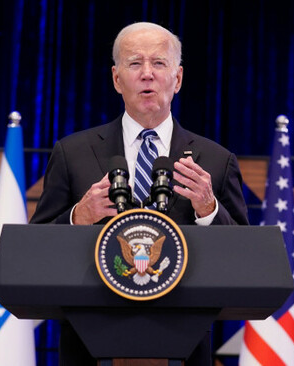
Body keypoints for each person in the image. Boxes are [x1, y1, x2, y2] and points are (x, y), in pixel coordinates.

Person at [31, 21, 249, 366]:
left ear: (177, 79)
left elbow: (246, 261)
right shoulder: (72, 153)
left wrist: (209, 209)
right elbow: (34, 252)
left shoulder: (216, 161)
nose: (147, 74)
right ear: (117, 79)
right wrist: (78, 217)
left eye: (159, 63)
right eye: (135, 63)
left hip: (184, 347)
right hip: (90, 346)